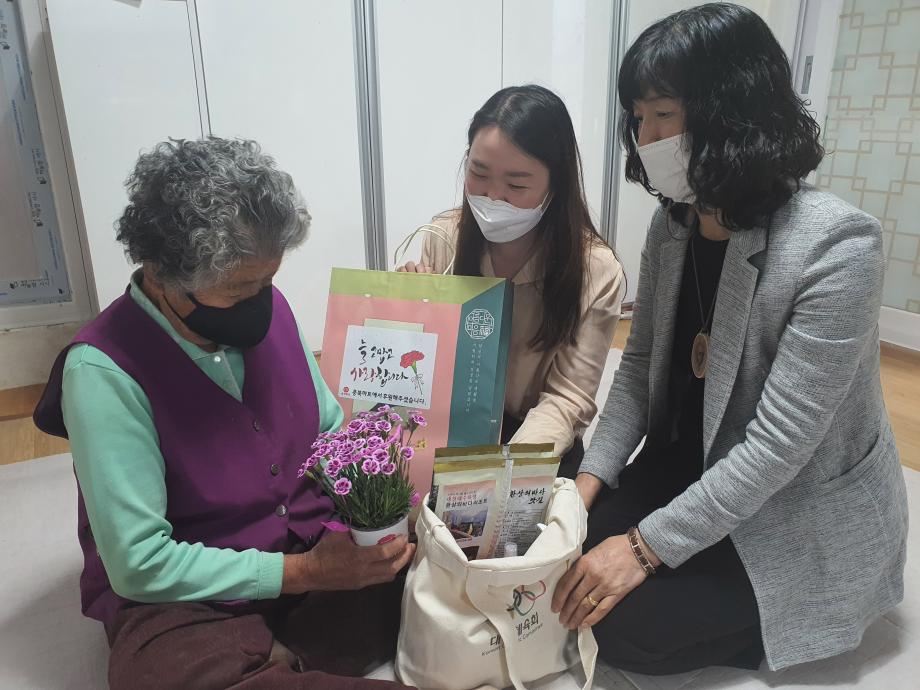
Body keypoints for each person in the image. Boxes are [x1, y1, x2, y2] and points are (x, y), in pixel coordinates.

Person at [551, 3, 909, 676]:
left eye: (664, 114)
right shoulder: (675, 227)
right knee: (559, 547)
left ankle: (790, 619)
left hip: (791, 505)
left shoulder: (837, 243)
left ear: (732, 110)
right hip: (695, 462)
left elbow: (777, 449)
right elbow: (639, 370)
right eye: (637, 115)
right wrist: (586, 487)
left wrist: (641, 549)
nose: (645, 134)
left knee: (627, 628)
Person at [34, 138, 414, 689]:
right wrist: (302, 574)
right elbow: (139, 562)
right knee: (166, 671)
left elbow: (331, 431)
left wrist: (383, 517)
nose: (260, 301)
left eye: (268, 281)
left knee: (435, 560)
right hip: (199, 588)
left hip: (313, 539)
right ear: (161, 275)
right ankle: (293, 652)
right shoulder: (104, 371)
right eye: (238, 290)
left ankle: (289, 655)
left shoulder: (269, 307)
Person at [399, 84, 624, 467]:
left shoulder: (595, 270)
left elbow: (567, 400)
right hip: (456, 422)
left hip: (537, 435)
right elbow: (424, 372)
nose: (492, 197)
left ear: (556, 185)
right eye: (478, 173)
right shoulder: (445, 238)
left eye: (516, 185)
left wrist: (498, 471)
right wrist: (409, 310)